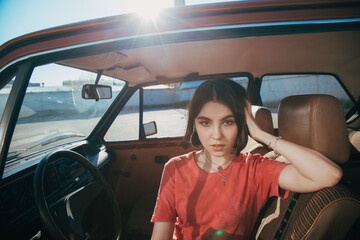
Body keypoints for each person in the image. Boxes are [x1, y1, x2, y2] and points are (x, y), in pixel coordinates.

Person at [151, 78, 342, 240]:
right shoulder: (175, 168)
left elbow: (329, 174)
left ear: (242, 123)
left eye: (228, 122)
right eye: (205, 123)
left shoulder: (255, 169)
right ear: (194, 124)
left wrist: (261, 134)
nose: (216, 135)